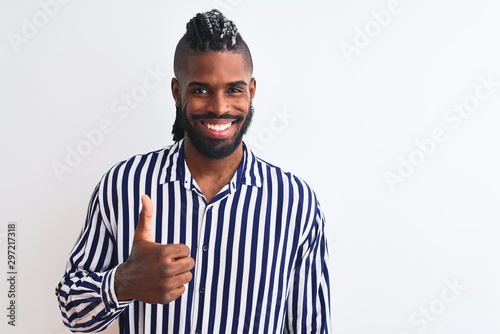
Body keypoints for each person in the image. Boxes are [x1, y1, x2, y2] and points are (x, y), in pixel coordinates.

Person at [55, 9, 331, 333]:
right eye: (200, 90)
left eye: (234, 90)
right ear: (177, 92)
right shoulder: (124, 185)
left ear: (251, 91)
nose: (219, 107)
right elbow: (72, 312)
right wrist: (123, 282)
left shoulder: (295, 204)